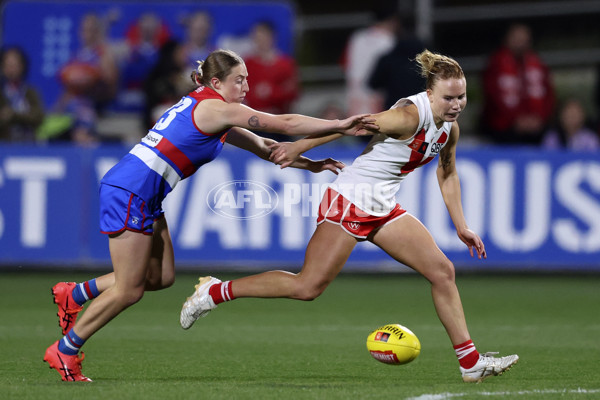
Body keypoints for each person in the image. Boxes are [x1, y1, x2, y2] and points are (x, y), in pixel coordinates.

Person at [179, 50, 519, 383]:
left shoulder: (449, 129)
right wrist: (299, 147)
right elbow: (352, 126)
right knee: (307, 286)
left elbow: (447, 174)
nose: (457, 104)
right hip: (351, 199)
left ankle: (470, 363)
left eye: (461, 97)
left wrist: (462, 225)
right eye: (449, 98)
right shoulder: (408, 117)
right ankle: (216, 291)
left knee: (442, 271)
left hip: (383, 205)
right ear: (430, 93)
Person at [43, 49, 376, 382]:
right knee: (130, 289)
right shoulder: (214, 108)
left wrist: (311, 164)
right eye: (239, 80)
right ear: (216, 82)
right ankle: (65, 350)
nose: (246, 86)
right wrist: (340, 124)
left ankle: (75, 294)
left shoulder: (212, 110)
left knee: (160, 276)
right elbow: (285, 124)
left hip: (143, 192)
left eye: (247, 78)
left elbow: (266, 147)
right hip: (132, 190)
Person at [480, 23, 555, 145]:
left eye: (524, 39)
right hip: (504, 129)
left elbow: (549, 94)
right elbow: (493, 96)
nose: (520, 42)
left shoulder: (538, 63)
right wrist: (515, 120)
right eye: (516, 38)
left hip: (537, 127)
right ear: (507, 39)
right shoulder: (495, 64)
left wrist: (539, 118)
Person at [243, 20, 299, 141]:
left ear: (271, 37)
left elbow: (292, 93)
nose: (260, 41)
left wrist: (270, 93)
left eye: (263, 37)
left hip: (279, 123)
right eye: (257, 38)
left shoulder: (285, 64)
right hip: (255, 123)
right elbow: (246, 93)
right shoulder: (247, 64)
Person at [343, 2, 399, 115]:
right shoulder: (389, 40)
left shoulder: (357, 37)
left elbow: (344, 64)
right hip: (377, 98)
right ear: (393, 21)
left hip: (355, 95)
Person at [0, 46, 45, 142]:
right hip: (4, 144)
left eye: (14, 65)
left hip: (28, 144)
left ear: (22, 66)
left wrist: (14, 115)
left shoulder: (30, 92)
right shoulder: (2, 93)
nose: (11, 70)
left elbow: (39, 117)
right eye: (7, 65)